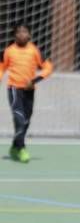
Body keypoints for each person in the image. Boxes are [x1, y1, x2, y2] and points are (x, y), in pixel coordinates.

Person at [0, 24, 53, 163]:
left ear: (29, 35)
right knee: (19, 119)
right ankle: (22, 148)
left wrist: (35, 80)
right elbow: (1, 67)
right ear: (14, 35)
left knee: (26, 121)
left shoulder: (35, 51)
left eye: (25, 32)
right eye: (19, 32)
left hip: (29, 91)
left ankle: (14, 147)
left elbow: (48, 67)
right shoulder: (9, 51)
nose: (22, 34)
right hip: (14, 89)